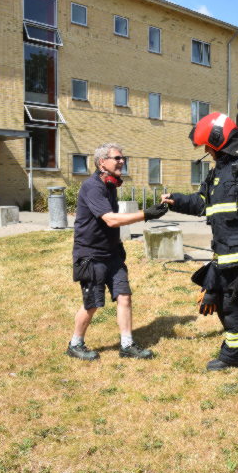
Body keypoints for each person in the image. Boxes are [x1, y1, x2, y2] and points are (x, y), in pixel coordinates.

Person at [161, 112, 238, 397]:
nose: (206, 151)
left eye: (208, 145)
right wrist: (175, 201)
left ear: (219, 139)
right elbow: (203, 202)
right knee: (227, 307)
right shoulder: (219, 170)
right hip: (226, 257)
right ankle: (235, 354)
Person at [67, 142, 169, 361]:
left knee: (124, 296)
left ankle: (127, 345)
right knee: (92, 303)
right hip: (91, 255)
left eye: (123, 158)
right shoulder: (92, 187)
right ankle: (75, 343)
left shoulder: (110, 185)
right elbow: (111, 220)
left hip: (112, 253)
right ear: (102, 162)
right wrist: (146, 214)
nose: (122, 161)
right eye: (117, 158)